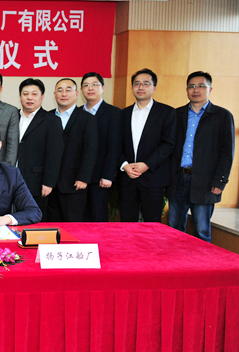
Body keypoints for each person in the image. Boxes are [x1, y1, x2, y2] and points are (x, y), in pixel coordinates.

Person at [168, 71, 234, 242]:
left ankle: (202, 260)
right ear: (186, 90)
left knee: (202, 230)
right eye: (191, 86)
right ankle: (176, 259)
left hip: (205, 182)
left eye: (201, 86)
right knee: (174, 229)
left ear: (210, 89)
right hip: (177, 179)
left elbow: (227, 153)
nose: (196, 90)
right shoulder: (176, 114)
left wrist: (220, 181)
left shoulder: (222, 116)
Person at [119, 68, 176, 223]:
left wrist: (147, 165)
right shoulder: (123, 114)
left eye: (146, 83)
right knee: (127, 224)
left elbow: (168, 144)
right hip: (127, 178)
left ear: (154, 87)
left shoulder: (167, 112)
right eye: (137, 83)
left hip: (153, 178)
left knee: (152, 224)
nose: (141, 87)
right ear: (132, 87)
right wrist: (124, 165)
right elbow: (116, 144)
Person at [48, 78, 98, 222]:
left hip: (74, 183)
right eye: (60, 90)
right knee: (51, 224)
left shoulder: (87, 119)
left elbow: (90, 150)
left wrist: (83, 177)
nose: (64, 94)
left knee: (73, 223)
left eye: (68, 90)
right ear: (54, 94)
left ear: (76, 93)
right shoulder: (47, 117)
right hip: (50, 184)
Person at [16, 78, 64, 222]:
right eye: (25, 94)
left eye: (34, 94)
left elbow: (55, 154)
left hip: (37, 181)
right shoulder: (13, 116)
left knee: (35, 220)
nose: (29, 97)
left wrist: (49, 182)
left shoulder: (51, 120)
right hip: (12, 179)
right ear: (20, 96)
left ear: (42, 97)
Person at [81, 72, 123, 222]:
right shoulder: (77, 112)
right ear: (81, 90)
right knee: (79, 218)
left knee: (98, 218)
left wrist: (108, 175)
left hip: (100, 177)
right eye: (86, 85)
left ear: (103, 87)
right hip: (78, 177)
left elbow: (115, 146)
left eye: (95, 84)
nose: (90, 88)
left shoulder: (114, 113)